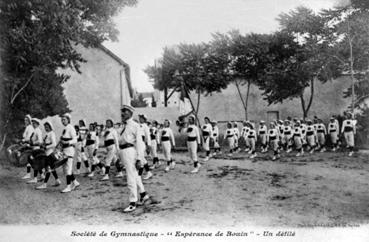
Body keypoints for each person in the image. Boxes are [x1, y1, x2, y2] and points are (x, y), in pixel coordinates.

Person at [118, 105, 150, 212]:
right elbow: (120, 141)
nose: (123, 114)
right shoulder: (122, 126)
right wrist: (118, 156)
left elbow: (140, 144)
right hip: (123, 151)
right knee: (135, 175)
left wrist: (139, 159)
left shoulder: (136, 126)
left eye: (125, 112)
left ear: (131, 113)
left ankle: (133, 202)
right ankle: (143, 194)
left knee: (130, 176)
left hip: (130, 151)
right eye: (122, 112)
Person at [36, 121, 61, 189]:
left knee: (48, 169)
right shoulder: (47, 134)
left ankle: (45, 184)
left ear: (50, 127)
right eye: (45, 127)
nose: (46, 128)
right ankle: (57, 180)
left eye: (47, 127)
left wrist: (46, 147)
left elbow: (54, 144)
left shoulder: (51, 133)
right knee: (52, 168)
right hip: (47, 153)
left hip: (50, 153)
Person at [60, 113, 79, 193]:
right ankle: (75, 182)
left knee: (68, 169)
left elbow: (75, 139)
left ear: (68, 120)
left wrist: (67, 142)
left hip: (69, 150)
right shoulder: (65, 128)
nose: (62, 121)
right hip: (65, 150)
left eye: (64, 119)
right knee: (66, 169)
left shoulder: (71, 128)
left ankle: (68, 186)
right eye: (62, 120)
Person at [26, 118, 44, 184]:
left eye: (34, 123)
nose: (33, 124)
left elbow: (40, 141)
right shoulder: (35, 131)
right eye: (32, 123)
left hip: (37, 149)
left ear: (37, 124)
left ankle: (35, 178)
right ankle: (42, 175)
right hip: (34, 148)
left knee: (34, 162)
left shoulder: (38, 131)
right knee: (36, 163)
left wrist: (33, 143)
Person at [138, 114, 152, 180]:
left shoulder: (145, 126)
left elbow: (148, 136)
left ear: (144, 119)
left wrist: (148, 145)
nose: (140, 119)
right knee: (142, 158)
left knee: (141, 158)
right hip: (137, 143)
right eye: (140, 118)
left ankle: (139, 174)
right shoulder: (137, 125)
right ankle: (148, 172)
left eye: (141, 118)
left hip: (141, 143)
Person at [21, 114, 35, 180]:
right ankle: (29, 174)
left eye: (26, 120)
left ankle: (40, 173)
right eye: (24, 120)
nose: (25, 121)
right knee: (29, 160)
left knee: (30, 159)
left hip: (29, 144)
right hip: (26, 144)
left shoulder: (30, 127)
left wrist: (24, 140)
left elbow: (29, 138)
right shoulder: (27, 127)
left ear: (29, 121)